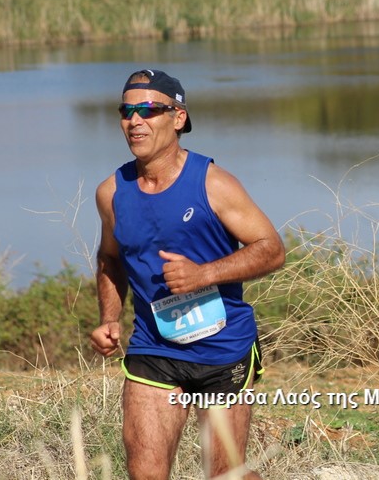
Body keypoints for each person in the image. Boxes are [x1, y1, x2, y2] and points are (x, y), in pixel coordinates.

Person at [90, 69, 285, 480]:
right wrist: (110, 318)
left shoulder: (213, 183)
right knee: (145, 472)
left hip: (223, 349)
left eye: (148, 110)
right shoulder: (111, 191)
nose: (134, 121)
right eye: (127, 110)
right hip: (154, 348)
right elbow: (110, 258)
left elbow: (271, 249)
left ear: (178, 117)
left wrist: (203, 275)